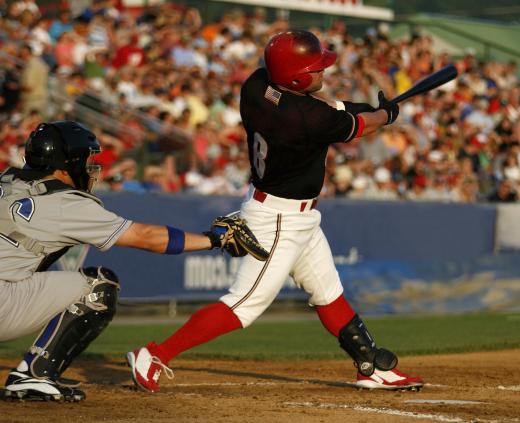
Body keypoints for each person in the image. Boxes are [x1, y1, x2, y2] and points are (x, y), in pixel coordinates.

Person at [127, 30, 423, 392]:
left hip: (295, 214)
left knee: (328, 292)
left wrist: (371, 109)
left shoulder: (256, 86)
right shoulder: (306, 119)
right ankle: (154, 354)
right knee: (244, 305)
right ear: (296, 78)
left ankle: (369, 365)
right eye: (315, 68)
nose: (323, 71)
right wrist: (385, 114)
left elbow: (334, 111)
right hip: (279, 219)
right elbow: (355, 124)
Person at [0, 121, 264, 402]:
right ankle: (34, 375)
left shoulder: (7, 180)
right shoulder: (67, 203)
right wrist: (213, 239)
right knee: (99, 285)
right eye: (86, 160)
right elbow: (147, 237)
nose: (90, 168)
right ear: (67, 165)